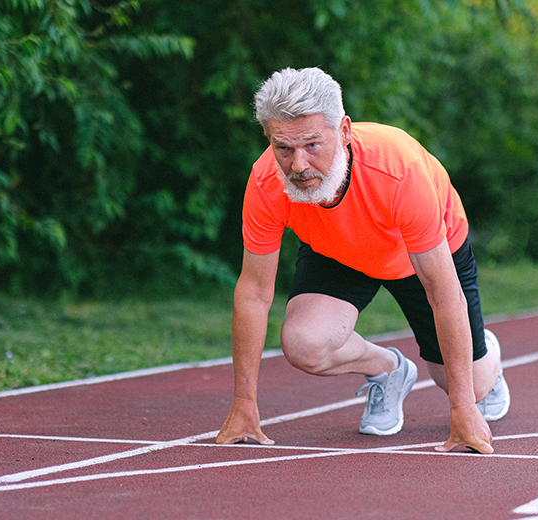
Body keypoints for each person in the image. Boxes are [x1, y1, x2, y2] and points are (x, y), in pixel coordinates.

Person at [215, 67, 510, 454]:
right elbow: (254, 294)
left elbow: (442, 292)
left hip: (418, 251)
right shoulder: (266, 182)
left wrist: (463, 409)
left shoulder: (399, 170)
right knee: (304, 344)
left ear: (345, 132)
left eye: (312, 145)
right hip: (338, 249)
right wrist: (244, 404)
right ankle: (387, 369)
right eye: (283, 149)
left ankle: (483, 351)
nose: (298, 165)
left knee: (467, 384)